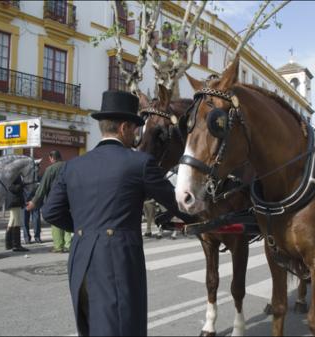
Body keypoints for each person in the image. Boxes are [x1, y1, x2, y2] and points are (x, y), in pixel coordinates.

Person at [42, 90, 195, 336]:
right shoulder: (139, 164)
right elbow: (179, 205)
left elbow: (50, 212)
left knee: (91, 327)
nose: (136, 136)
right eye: (135, 129)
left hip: (80, 261)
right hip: (117, 261)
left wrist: (86, 228)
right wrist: (205, 218)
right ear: (124, 127)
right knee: (123, 327)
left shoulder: (72, 166)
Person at [26, 150, 72, 253]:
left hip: (54, 201)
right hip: (69, 199)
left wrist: (34, 202)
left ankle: (58, 246)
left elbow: (42, 187)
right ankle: (69, 245)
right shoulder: (69, 166)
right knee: (68, 221)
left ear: (52, 158)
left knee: (56, 223)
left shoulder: (50, 169)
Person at [5, 176, 29, 252]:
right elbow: (13, 188)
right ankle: (16, 245)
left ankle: (9, 244)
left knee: (12, 221)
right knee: (17, 221)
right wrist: (22, 184)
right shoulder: (14, 175)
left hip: (14, 200)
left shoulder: (13, 174)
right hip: (15, 201)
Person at [22, 179, 42, 244]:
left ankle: (29, 238)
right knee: (31, 219)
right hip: (29, 199)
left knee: (32, 219)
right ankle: (34, 237)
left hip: (30, 198)